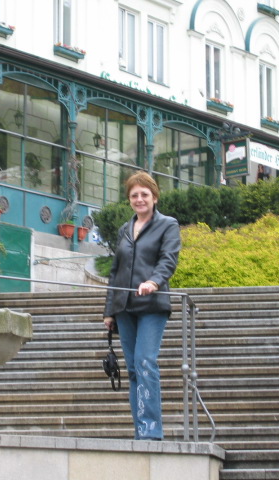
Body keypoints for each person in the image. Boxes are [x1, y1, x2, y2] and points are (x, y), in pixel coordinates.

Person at [103, 171, 181, 441]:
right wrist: (109, 311)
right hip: (124, 306)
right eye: (134, 195)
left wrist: (154, 281)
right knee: (134, 369)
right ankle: (140, 431)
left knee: (145, 362)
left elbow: (168, 259)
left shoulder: (167, 225)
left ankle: (151, 431)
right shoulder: (125, 230)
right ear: (129, 199)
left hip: (152, 304)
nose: (139, 199)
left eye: (144, 194)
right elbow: (115, 271)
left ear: (154, 197)